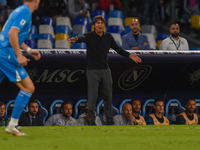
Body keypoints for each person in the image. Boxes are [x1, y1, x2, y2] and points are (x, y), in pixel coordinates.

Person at [69, 15, 141, 125]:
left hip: (105, 70)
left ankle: (109, 120)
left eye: (102, 23)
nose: (100, 25)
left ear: (104, 25)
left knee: (108, 96)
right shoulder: (89, 36)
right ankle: (92, 121)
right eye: (97, 23)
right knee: (92, 97)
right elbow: (82, 38)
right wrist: (77, 39)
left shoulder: (108, 37)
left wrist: (129, 55)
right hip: (93, 71)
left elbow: (118, 49)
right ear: (94, 26)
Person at [0, 0, 41, 136]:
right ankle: (12, 126)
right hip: (7, 55)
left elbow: (15, 35)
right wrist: (19, 55)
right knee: (28, 87)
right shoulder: (25, 12)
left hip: (2, 52)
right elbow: (12, 34)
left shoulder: (18, 10)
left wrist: (28, 50)